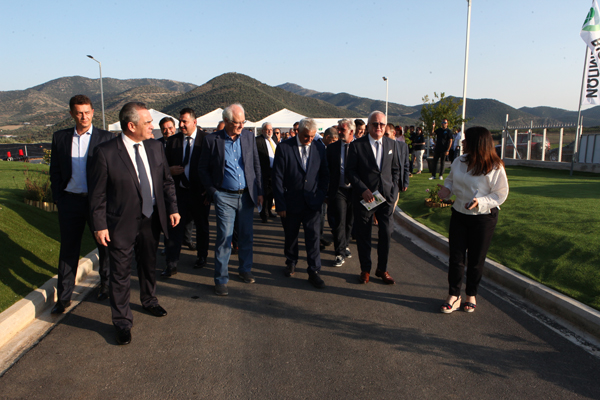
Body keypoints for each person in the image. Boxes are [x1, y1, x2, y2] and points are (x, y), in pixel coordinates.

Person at [88, 102, 180, 345]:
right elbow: (97, 194)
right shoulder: (106, 152)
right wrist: (99, 225)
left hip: (151, 219)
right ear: (131, 126)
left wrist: (172, 208)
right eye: (148, 122)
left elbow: (167, 181)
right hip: (120, 223)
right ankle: (122, 322)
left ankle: (149, 300)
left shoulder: (156, 147)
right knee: (120, 273)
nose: (152, 126)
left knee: (149, 264)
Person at [49, 94, 113, 313]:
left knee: (104, 246)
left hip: (97, 203)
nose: (84, 117)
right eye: (79, 113)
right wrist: (58, 197)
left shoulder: (106, 138)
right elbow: (55, 170)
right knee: (68, 250)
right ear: (71, 114)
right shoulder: (60, 138)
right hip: (69, 202)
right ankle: (64, 298)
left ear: (93, 112)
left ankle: (106, 285)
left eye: (87, 112)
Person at [437, 126, 509, 314]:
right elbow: (451, 180)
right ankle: (454, 295)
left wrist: (480, 202)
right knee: (456, 258)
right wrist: (446, 190)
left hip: (483, 219)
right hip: (459, 214)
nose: (462, 142)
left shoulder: (495, 166)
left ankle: (471, 294)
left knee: (476, 260)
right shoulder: (459, 161)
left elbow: (500, 194)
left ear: (477, 143)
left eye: (466, 139)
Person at [198, 103, 262, 296]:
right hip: (224, 196)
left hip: (247, 196)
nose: (241, 126)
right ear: (225, 121)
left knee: (246, 236)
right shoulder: (212, 140)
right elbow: (202, 169)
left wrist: (259, 191)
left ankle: (245, 269)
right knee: (224, 238)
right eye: (237, 122)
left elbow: (256, 165)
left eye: (243, 121)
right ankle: (220, 279)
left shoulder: (249, 137)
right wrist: (214, 192)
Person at [273, 118, 329, 288]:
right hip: (291, 202)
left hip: (313, 202)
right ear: (298, 132)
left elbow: (324, 175)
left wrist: (320, 196)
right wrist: (280, 204)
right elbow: (277, 177)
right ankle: (291, 261)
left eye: (312, 136)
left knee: (314, 237)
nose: (309, 139)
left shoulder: (319, 147)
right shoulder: (284, 147)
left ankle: (314, 271)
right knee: (291, 235)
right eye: (306, 136)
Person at [346, 111, 399, 285]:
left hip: (386, 198)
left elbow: (395, 170)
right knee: (364, 235)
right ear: (368, 126)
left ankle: (382, 269)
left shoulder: (392, 144)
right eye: (375, 124)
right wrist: (362, 189)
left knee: (386, 233)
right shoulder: (357, 145)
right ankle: (366, 269)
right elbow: (350, 171)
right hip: (365, 198)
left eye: (382, 124)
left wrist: (393, 192)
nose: (378, 127)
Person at [162, 108, 210, 277]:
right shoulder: (173, 141)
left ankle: (202, 256)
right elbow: (163, 166)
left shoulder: (206, 140)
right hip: (179, 193)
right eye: (180, 121)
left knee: (202, 227)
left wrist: (208, 191)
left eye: (185, 122)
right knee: (174, 228)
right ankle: (171, 263)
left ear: (194, 122)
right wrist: (169, 170)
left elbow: (213, 166)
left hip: (200, 193)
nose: (181, 125)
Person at [326, 119, 355, 267]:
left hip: (355, 190)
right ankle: (339, 253)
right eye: (338, 129)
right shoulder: (332, 148)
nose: (339, 132)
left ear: (351, 131)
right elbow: (327, 170)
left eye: (342, 130)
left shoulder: (359, 147)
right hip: (338, 190)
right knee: (339, 221)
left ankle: (345, 245)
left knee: (350, 221)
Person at [255, 122, 278, 223]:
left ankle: (269, 211)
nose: (269, 132)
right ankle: (264, 214)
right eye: (267, 130)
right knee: (263, 194)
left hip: (274, 172)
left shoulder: (274, 139)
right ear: (263, 130)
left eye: (271, 130)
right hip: (263, 172)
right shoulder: (257, 140)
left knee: (271, 194)